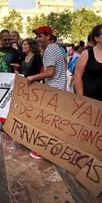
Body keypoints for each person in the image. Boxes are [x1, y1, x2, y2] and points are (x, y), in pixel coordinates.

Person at [27, 26, 67, 159]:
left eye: (40, 36)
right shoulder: (56, 48)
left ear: (48, 36)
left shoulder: (50, 50)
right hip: (59, 88)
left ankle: (42, 150)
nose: (38, 39)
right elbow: (63, 64)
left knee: (47, 122)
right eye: (37, 36)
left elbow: (50, 72)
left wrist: (33, 77)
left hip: (53, 91)